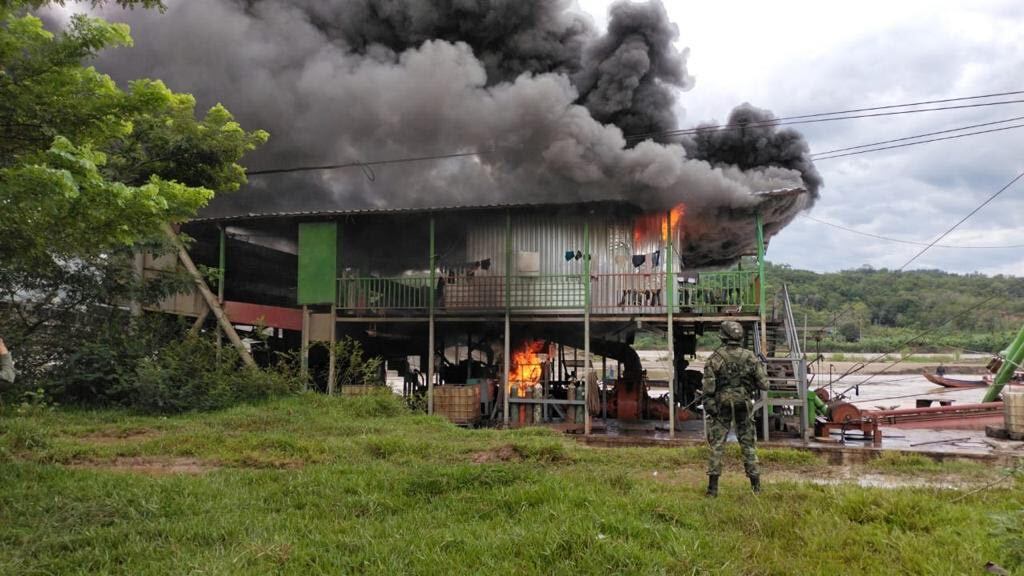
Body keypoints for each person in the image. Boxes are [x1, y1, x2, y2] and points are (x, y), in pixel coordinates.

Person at [702, 321, 768, 497]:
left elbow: (708, 390)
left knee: (717, 446)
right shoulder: (751, 357)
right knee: (748, 446)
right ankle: (756, 488)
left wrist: (713, 410)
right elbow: (765, 385)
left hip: (721, 407)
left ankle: (712, 490)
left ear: (722, 336)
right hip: (744, 406)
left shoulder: (715, 358)